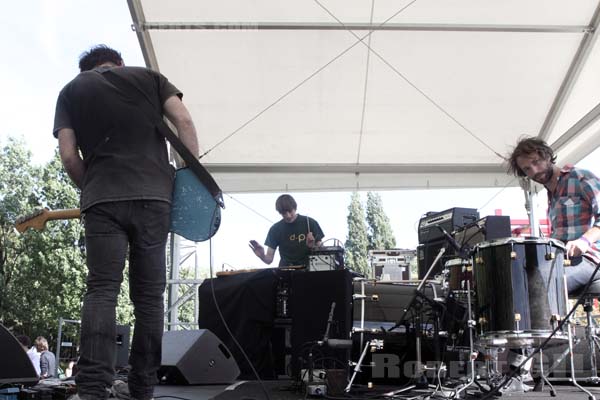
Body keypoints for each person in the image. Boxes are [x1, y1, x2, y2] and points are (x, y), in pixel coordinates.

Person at [53, 45, 199, 400]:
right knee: (149, 297)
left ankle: (92, 388)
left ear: (87, 68)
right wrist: (188, 178)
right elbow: (183, 121)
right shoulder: (149, 78)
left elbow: (70, 156)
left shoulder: (72, 90)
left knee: (102, 289)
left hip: (102, 197)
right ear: (118, 63)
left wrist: (94, 187)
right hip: (154, 197)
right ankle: (142, 388)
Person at [508, 136, 600, 293]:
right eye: (527, 169)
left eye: (536, 162)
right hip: (562, 259)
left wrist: (584, 241)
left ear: (547, 156)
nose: (534, 171)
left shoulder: (580, 177)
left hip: (591, 258)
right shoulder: (552, 194)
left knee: (541, 285)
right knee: (516, 279)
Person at [249, 194, 324, 267]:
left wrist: (312, 247)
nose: (288, 215)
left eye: (290, 211)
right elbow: (269, 260)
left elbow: (323, 253)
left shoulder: (310, 222)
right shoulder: (275, 229)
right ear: (279, 212)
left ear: (295, 208)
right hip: (286, 271)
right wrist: (262, 256)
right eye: (284, 213)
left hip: (308, 270)